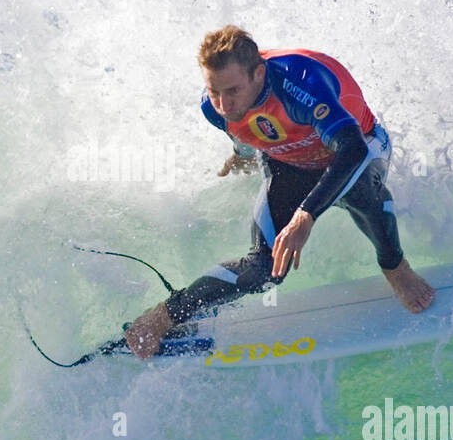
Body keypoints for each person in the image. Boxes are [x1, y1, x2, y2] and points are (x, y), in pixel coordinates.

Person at [123, 25, 434, 360]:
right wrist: (240, 158)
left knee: (359, 190)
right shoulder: (214, 108)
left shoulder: (300, 86)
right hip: (290, 161)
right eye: (214, 92)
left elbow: (353, 149)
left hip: (360, 148)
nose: (224, 104)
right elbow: (242, 132)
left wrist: (306, 215)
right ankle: (163, 315)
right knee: (263, 270)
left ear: (259, 73)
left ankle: (395, 267)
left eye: (232, 91)